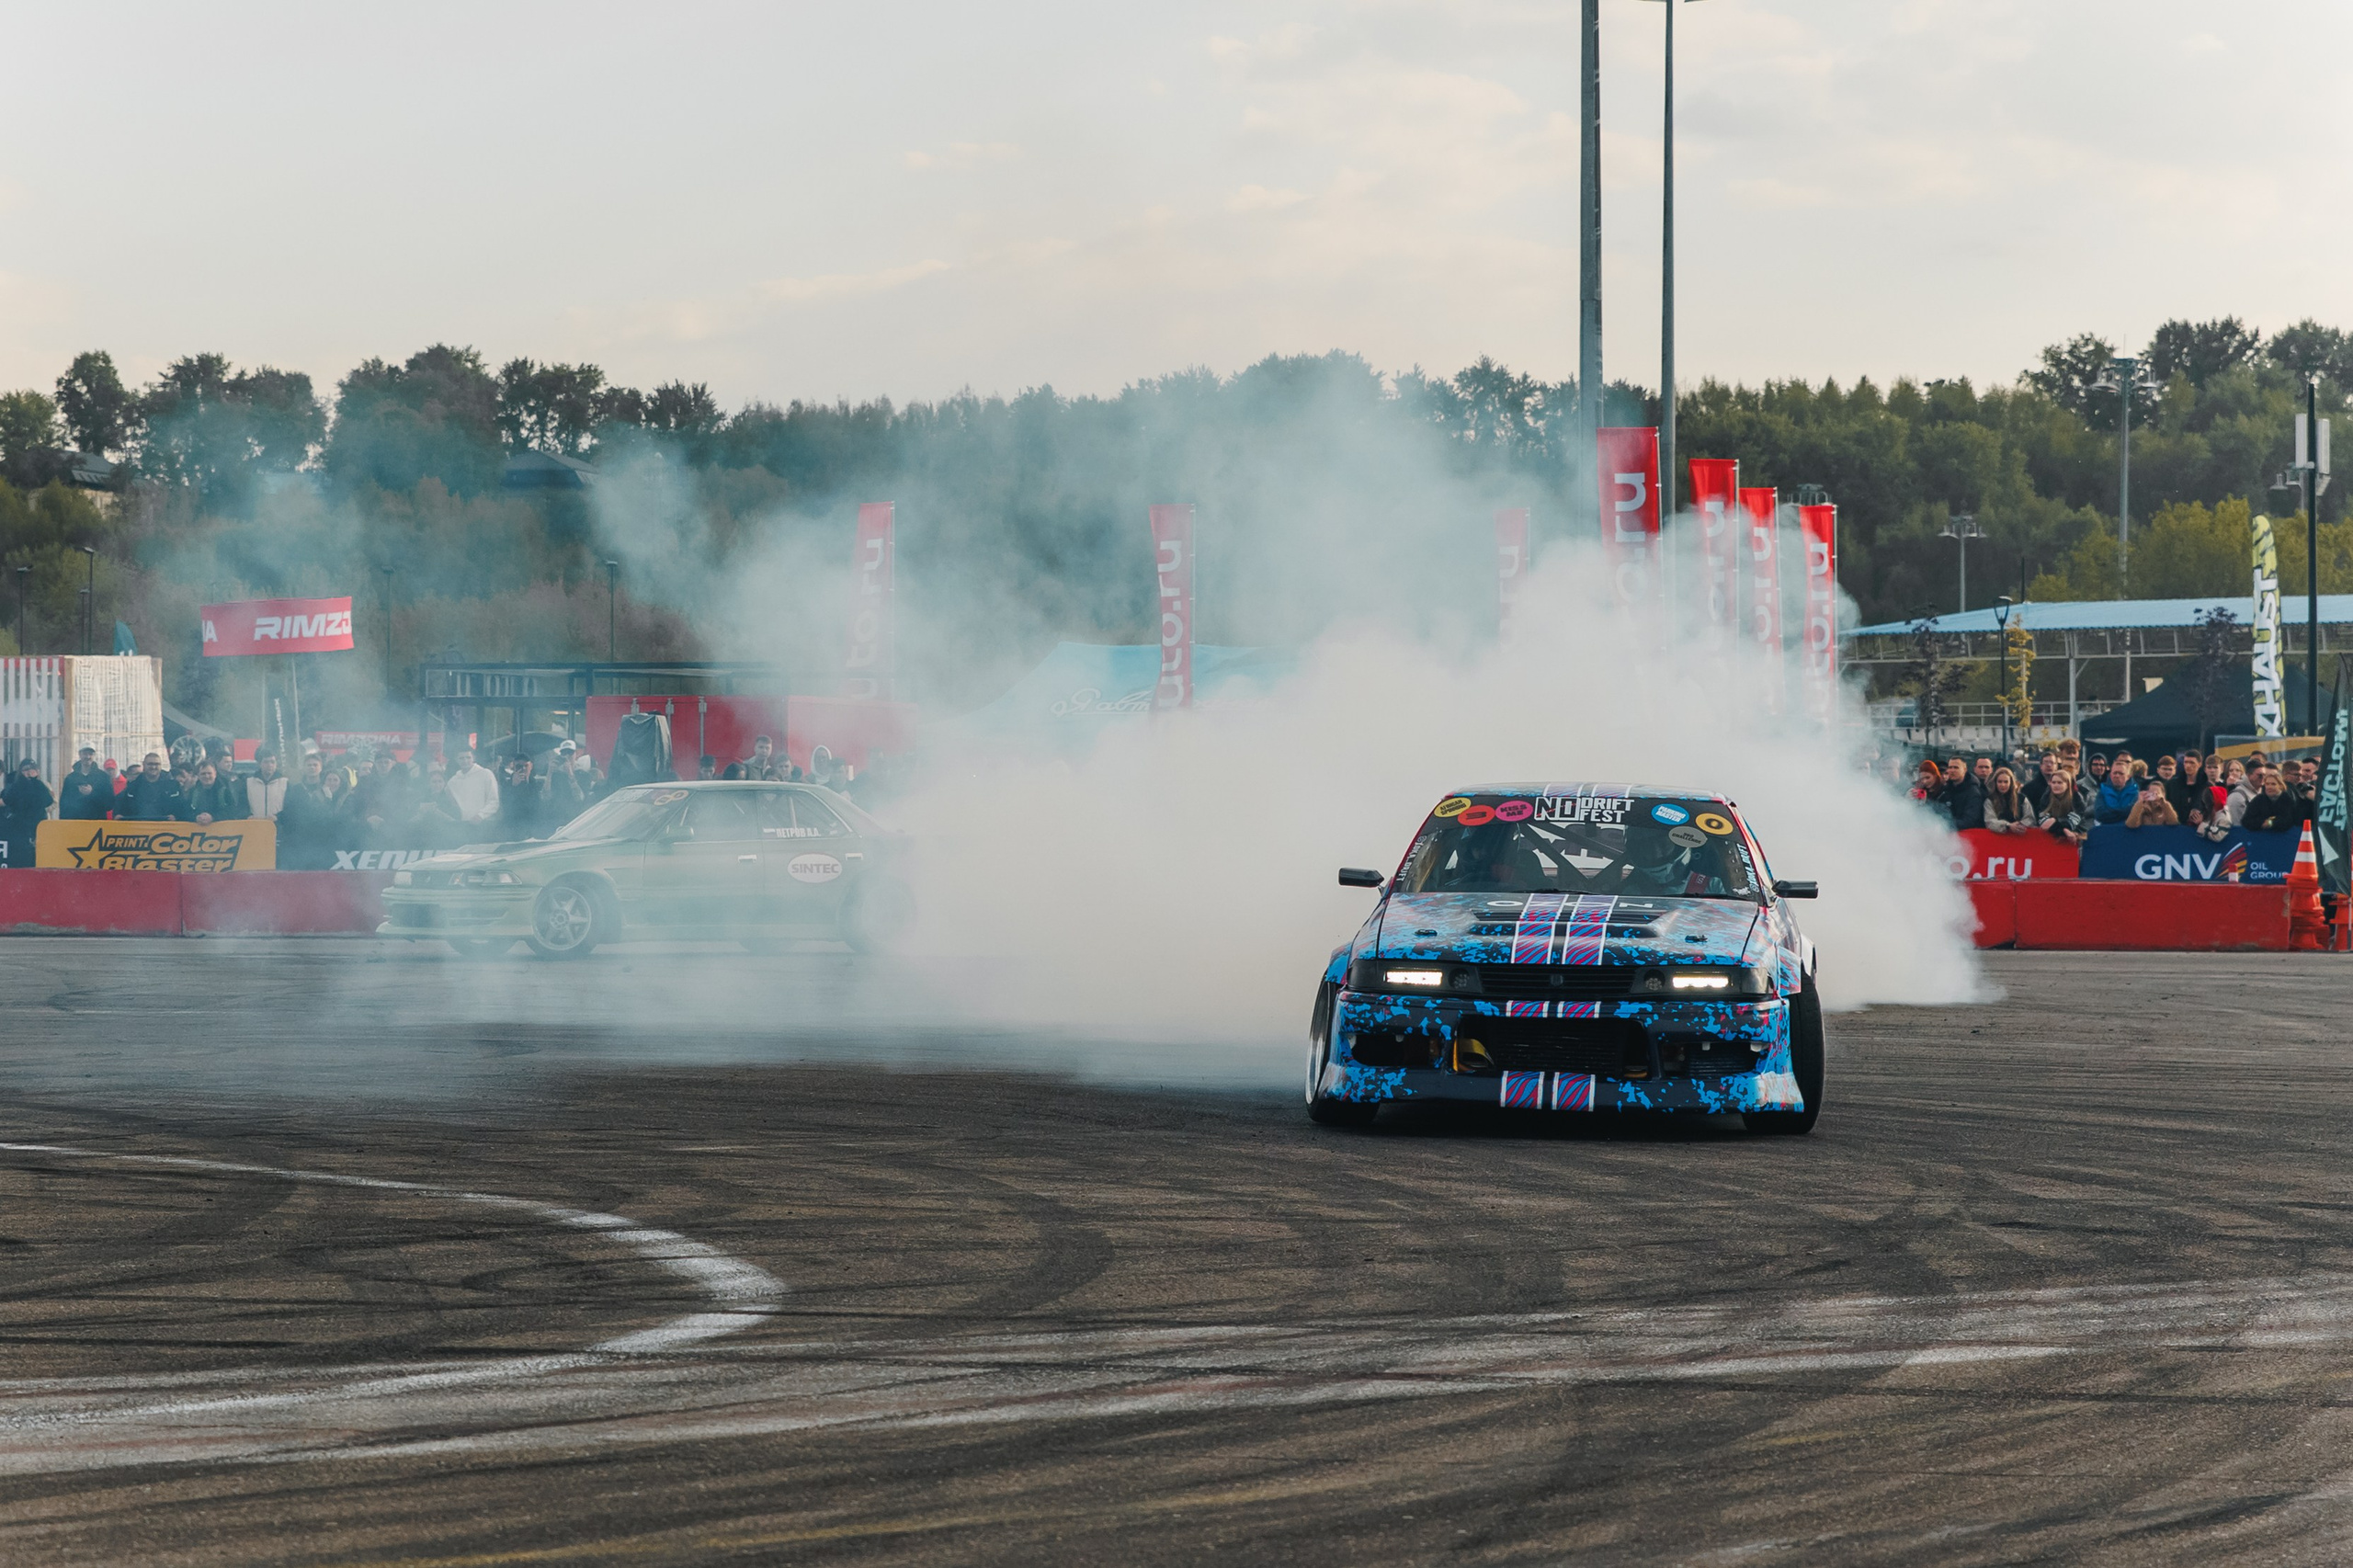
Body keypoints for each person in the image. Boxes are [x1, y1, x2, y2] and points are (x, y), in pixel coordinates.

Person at [0, 759, 52, 869]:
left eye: (31, 769)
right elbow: (5, 801)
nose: (29, 772)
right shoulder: (17, 786)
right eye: (25, 770)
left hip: (38, 826)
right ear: (20, 772)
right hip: (20, 828)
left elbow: (49, 801)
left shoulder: (40, 785)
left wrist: (35, 782)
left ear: (37, 771)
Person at [2242, 767, 2312, 835]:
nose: (2269, 787)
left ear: (2280, 786)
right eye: (2267, 784)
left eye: (2273, 784)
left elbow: (2288, 820)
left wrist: (2272, 823)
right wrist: (2262, 822)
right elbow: (2246, 820)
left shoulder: (2288, 800)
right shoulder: (2258, 800)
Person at [443, 746, 499, 827]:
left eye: (468, 757)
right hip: (464, 825)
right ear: (456, 760)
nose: (465, 761)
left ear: (474, 758)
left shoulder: (486, 774)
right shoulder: (453, 782)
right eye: (461, 758)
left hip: (485, 824)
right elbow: (449, 801)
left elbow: (494, 801)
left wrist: (481, 815)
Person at [120, 753, 185, 821]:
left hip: (166, 828)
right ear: (144, 765)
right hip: (139, 828)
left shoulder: (173, 786)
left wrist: (176, 817)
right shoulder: (133, 787)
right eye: (150, 764)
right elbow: (124, 808)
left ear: (161, 765)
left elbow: (182, 808)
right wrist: (119, 815)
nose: (153, 767)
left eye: (157, 764)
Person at [2038, 769, 2093, 846]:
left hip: (2078, 835)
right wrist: (2065, 830)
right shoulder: (2046, 797)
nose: (2056, 785)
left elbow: (2071, 823)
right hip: (2055, 839)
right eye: (2053, 782)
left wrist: (2054, 821)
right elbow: (2044, 823)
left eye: (2060, 783)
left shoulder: (2077, 799)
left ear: (2068, 785)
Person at [58, 747, 111, 820]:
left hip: (97, 823)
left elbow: (110, 803)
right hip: (76, 824)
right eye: (85, 754)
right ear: (79, 755)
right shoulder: (70, 778)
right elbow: (64, 804)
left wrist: (92, 793)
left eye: (90, 754)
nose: (88, 757)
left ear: (94, 755)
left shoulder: (103, 777)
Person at [499, 755, 545, 838]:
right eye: (519, 766)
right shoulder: (506, 784)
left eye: (526, 766)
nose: (523, 769)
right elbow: (506, 805)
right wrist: (514, 787)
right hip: (513, 826)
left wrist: (527, 783)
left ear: (531, 766)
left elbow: (538, 805)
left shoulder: (537, 783)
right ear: (514, 767)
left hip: (533, 825)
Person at [1939, 756, 1985, 833]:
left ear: (1964, 770)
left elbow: (1969, 821)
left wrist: (1945, 824)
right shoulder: (1945, 789)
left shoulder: (1973, 793)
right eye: (1950, 767)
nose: (1952, 770)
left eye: (1956, 767)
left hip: (1965, 837)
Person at [243, 747, 289, 822]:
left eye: (272, 762)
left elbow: (289, 808)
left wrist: (278, 817)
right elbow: (242, 805)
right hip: (254, 827)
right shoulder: (248, 783)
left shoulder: (285, 783)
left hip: (277, 828)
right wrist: (247, 816)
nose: (269, 765)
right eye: (266, 762)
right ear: (260, 764)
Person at [1983, 767, 2032, 833]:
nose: (2003, 785)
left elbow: (2030, 818)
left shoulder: (2022, 799)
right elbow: (1990, 821)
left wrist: (2018, 825)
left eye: (2006, 782)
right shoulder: (1990, 800)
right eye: (2000, 782)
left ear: (2011, 783)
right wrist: (2007, 826)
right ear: (1995, 783)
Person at [2093, 759, 2140, 825]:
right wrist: (2124, 812)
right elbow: (2099, 814)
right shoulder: (2102, 792)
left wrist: (2111, 811)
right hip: (2107, 831)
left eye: (2121, 773)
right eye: (2115, 773)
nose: (2117, 776)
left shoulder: (2136, 794)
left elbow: (2134, 814)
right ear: (2111, 775)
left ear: (2128, 777)